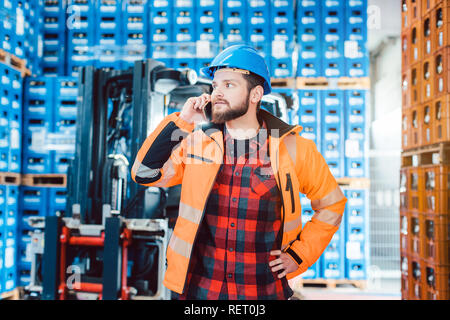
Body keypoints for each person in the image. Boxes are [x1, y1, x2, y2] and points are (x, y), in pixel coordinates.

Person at [131, 44, 347, 300]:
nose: (217, 93)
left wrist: (298, 255)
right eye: (215, 86)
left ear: (255, 94)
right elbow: (144, 173)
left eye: (229, 85)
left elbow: (332, 204)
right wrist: (183, 120)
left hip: (263, 291)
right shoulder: (197, 143)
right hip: (199, 290)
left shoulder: (295, 149)